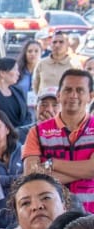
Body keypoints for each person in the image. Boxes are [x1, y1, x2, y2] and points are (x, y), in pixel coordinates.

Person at [24, 68, 94, 213]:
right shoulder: (37, 131)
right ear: (58, 95)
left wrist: (52, 163)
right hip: (51, 216)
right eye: (68, 90)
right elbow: (31, 174)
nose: (73, 95)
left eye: (80, 90)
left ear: (90, 96)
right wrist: (84, 170)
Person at [35, 30, 85, 97]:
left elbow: (80, 86)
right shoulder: (41, 63)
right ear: (50, 44)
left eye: (61, 42)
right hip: (46, 104)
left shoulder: (74, 65)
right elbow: (36, 86)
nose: (57, 45)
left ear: (67, 45)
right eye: (54, 42)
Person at [0, 56, 31, 131]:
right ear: (2, 73)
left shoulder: (18, 90)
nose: (18, 73)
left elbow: (27, 114)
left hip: (22, 135)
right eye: (15, 70)